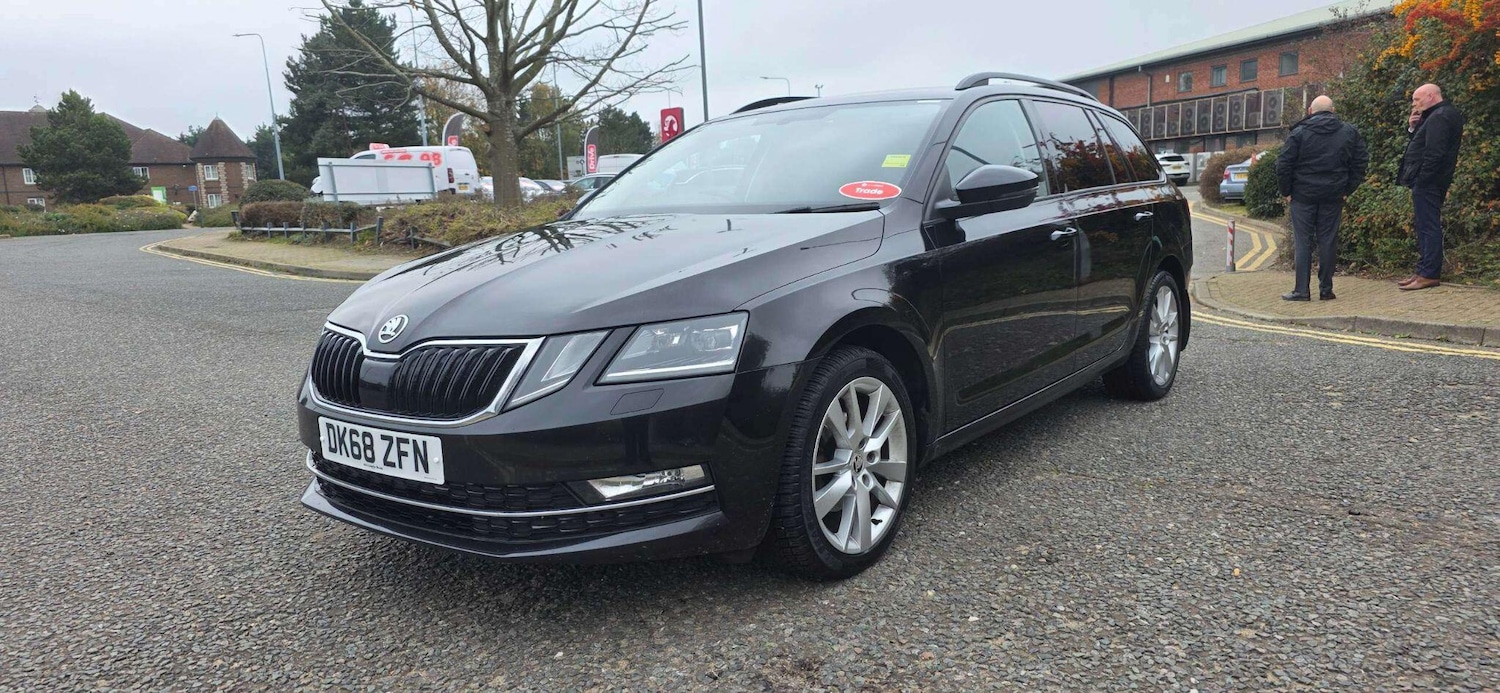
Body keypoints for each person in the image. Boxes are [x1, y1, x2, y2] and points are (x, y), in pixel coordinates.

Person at [1275, 95, 1368, 301]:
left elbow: (1283, 164)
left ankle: (1301, 290)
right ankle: (1326, 290)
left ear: (1310, 111)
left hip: (1302, 195)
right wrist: (1347, 189)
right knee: (1328, 241)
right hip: (1333, 195)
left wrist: (1287, 191)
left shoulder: (1299, 133)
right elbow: (1361, 162)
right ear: (1333, 110)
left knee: (1303, 242)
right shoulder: (1349, 132)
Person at [1396, 83, 1465, 291]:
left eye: (1417, 99)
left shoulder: (1441, 116)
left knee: (1428, 226)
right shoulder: (1434, 115)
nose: (1414, 104)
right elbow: (1419, 144)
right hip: (1429, 180)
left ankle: (1429, 273)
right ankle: (1423, 270)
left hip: (1430, 181)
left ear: (1431, 96)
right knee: (1424, 225)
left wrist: (1422, 179)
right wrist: (1413, 127)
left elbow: (1435, 153)